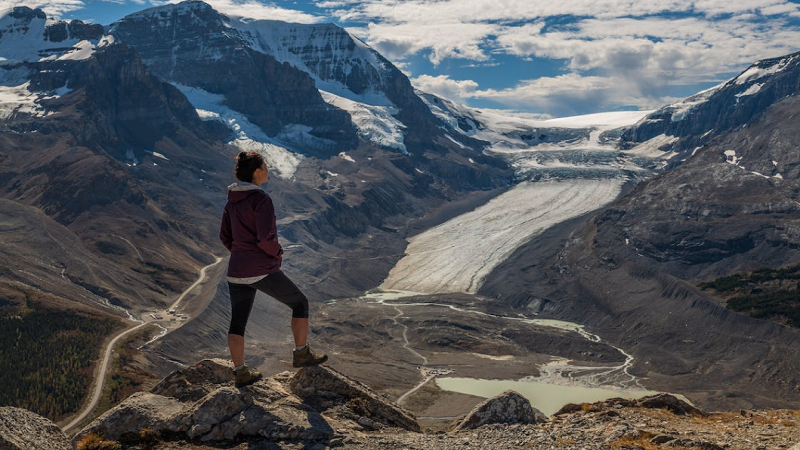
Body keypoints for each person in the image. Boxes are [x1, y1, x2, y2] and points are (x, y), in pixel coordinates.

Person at [220, 151, 327, 388]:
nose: (268, 170)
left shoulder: (232, 201)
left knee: (237, 323)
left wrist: (240, 253)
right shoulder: (260, 199)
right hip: (261, 269)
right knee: (300, 304)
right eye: (265, 166)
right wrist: (277, 253)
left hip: (236, 270)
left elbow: (225, 236)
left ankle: (240, 372)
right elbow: (265, 238)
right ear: (257, 172)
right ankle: (301, 353)